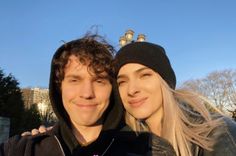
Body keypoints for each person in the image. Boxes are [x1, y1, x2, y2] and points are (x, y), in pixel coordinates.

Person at [0, 34, 176, 156]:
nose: (87, 93)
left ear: (112, 88)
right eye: (74, 80)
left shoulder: (150, 149)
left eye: (99, 81)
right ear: (59, 87)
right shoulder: (22, 149)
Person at [113, 41, 236, 156]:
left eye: (144, 75)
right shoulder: (119, 143)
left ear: (165, 82)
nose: (131, 90)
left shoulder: (218, 134)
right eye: (122, 82)